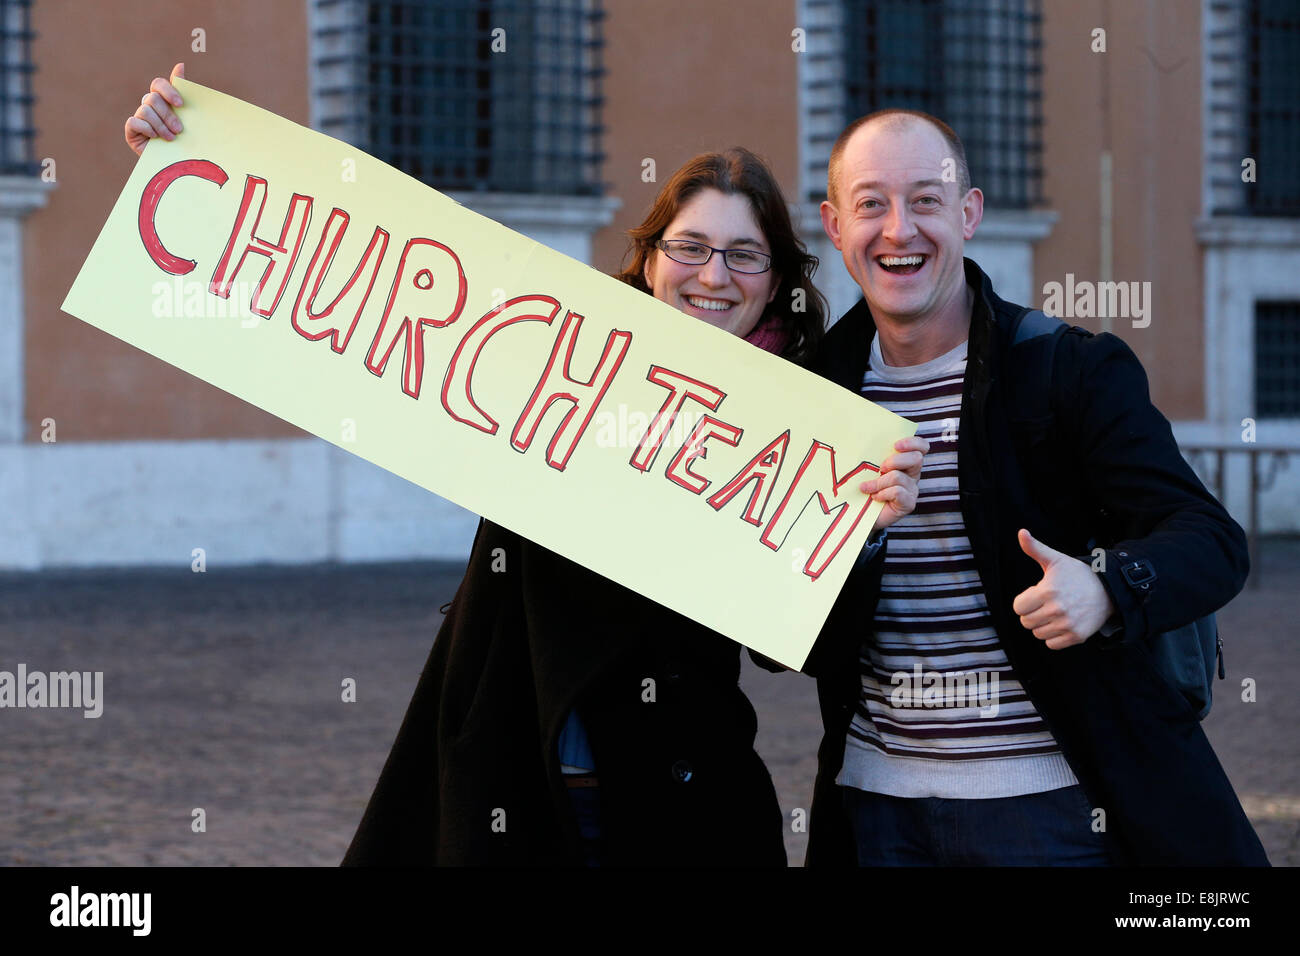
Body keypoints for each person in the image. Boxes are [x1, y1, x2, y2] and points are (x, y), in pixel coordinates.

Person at [125, 66, 928, 865]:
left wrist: (859, 534)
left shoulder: (799, 422)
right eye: (689, 247)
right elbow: (334, 287)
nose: (714, 276)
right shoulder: (547, 360)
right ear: (649, 261)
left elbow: (795, 652)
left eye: (744, 256)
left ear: (776, 281)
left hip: (681, 807)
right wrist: (186, 160)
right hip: (514, 777)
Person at [802, 107, 1269, 866]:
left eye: (926, 200)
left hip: (1048, 815)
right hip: (875, 811)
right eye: (871, 204)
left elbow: (1213, 541)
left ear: (969, 212)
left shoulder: (1067, 369)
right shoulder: (813, 397)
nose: (898, 230)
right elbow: (785, 647)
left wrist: (1108, 587)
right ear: (833, 224)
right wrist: (856, 543)